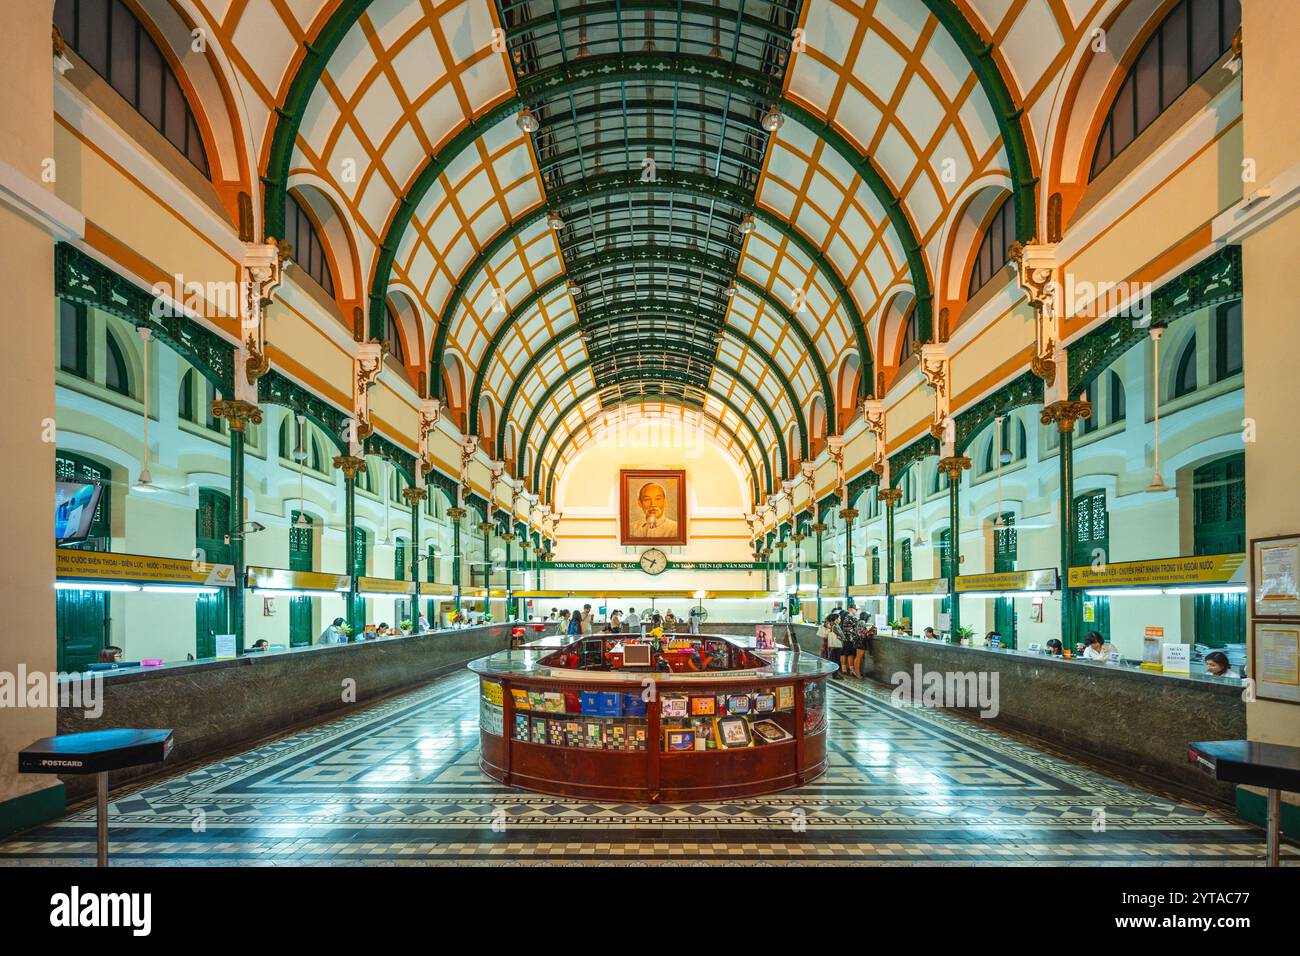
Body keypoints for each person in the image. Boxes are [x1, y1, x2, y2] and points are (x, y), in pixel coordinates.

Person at [819, 613, 844, 678]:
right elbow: (841, 635)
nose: (840, 619)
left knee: (832, 658)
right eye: (839, 618)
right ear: (835, 619)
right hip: (833, 644)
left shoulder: (829, 625)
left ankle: (833, 673)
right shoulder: (833, 626)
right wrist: (842, 638)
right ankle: (834, 674)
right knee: (834, 659)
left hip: (829, 643)